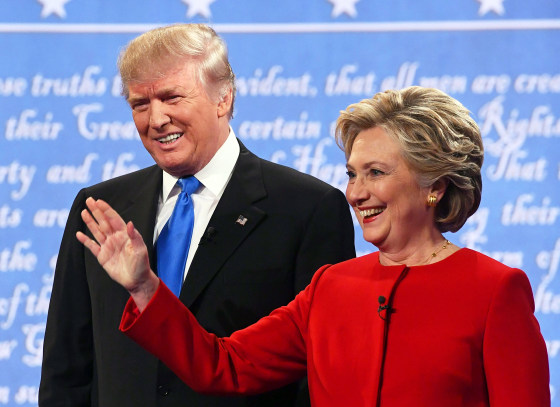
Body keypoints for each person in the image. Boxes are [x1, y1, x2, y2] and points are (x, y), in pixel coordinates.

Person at [76, 86, 551, 407]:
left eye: (376, 173)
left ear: (436, 186)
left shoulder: (495, 291)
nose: (355, 193)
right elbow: (222, 366)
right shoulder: (331, 287)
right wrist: (143, 286)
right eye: (351, 173)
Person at [39, 23, 356, 407]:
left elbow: (319, 372)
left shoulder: (307, 208)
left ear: (223, 99)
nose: (155, 120)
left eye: (172, 98)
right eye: (141, 104)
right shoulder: (100, 209)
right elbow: (67, 368)